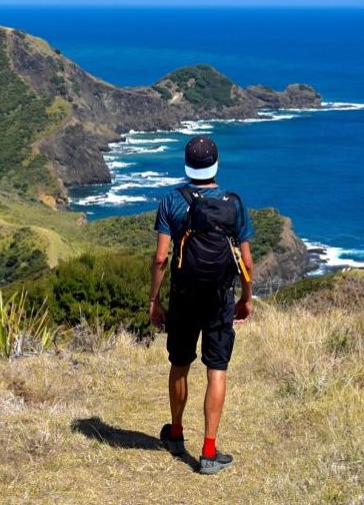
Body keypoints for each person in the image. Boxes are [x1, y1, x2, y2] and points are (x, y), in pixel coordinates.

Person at [148, 134, 255, 475]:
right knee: (216, 369)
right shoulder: (233, 203)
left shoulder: (172, 201)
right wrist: (246, 298)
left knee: (179, 363)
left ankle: (176, 432)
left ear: (187, 165)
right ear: (216, 164)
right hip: (219, 298)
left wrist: (154, 300)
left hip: (182, 298)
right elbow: (247, 262)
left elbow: (161, 257)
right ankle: (208, 452)